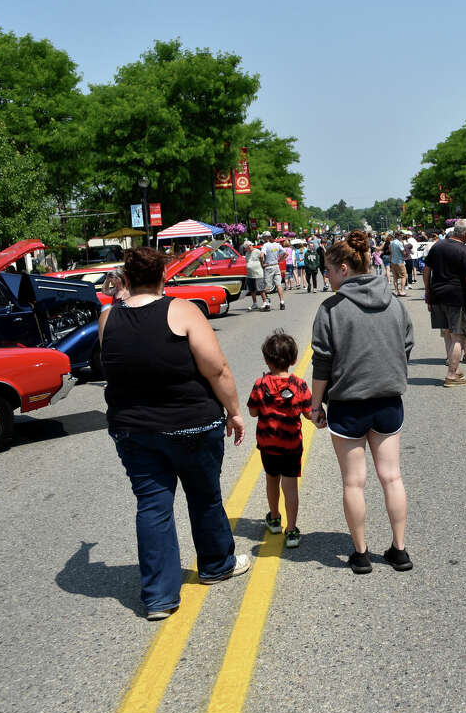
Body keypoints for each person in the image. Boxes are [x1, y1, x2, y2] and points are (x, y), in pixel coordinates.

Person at [99, 247, 250, 621]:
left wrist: (121, 296)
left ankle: (159, 597)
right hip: (192, 424)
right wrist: (234, 412)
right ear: (164, 277)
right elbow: (217, 370)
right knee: (204, 496)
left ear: (127, 280)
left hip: (133, 429)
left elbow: (118, 362)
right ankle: (216, 564)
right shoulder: (182, 311)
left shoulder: (107, 319)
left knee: (153, 506)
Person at [309, 231, 415, 574]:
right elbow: (407, 345)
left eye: (328, 269)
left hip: (348, 403)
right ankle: (399, 550)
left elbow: (322, 362)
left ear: (343, 268)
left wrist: (314, 405)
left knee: (354, 481)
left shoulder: (331, 309)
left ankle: (361, 553)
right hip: (387, 400)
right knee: (392, 477)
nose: (326, 275)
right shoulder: (395, 303)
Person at [247, 330, 312, 549]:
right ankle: (291, 531)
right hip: (292, 446)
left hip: (268, 445)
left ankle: (274, 518)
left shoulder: (260, 384)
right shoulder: (299, 385)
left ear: (266, 359)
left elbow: (253, 413)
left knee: (271, 479)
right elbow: (310, 413)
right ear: (294, 360)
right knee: (290, 487)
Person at [423, 218, 466, 386]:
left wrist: (428, 291)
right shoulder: (464, 250)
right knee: (458, 336)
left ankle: (456, 370)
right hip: (457, 297)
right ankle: (451, 375)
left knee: (448, 333)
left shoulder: (438, 246)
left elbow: (427, 270)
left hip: (438, 296)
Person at [260, 233, 287, 311]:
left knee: (267, 286)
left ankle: (268, 304)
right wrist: (280, 260)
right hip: (276, 266)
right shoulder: (277, 245)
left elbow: (261, 256)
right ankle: (282, 302)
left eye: (263, 237)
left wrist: (262, 264)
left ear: (266, 237)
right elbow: (286, 253)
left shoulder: (265, 245)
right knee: (278, 285)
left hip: (268, 267)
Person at [243, 240, 268, 311]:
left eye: (250, 245)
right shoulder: (247, 253)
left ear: (251, 245)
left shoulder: (257, 251)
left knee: (261, 289)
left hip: (258, 274)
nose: (249, 247)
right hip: (250, 274)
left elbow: (262, 257)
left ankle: (265, 302)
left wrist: (263, 264)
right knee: (252, 290)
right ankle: (255, 304)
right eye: (247, 247)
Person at [389, 232, 408, 297]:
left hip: (393, 261)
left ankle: (396, 291)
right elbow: (403, 252)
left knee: (395, 277)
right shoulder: (399, 243)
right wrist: (406, 254)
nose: (402, 237)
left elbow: (391, 253)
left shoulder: (391, 243)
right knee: (404, 276)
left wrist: (390, 262)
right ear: (398, 236)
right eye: (401, 235)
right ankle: (402, 291)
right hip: (400, 262)